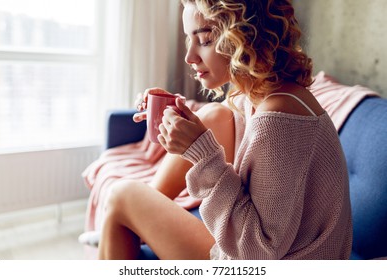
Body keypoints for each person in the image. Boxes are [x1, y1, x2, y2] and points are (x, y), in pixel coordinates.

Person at [98, 0, 352, 260]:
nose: (190, 57)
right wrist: (175, 112)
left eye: (205, 40)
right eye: (190, 40)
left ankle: (120, 222)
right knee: (215, 115)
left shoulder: (279, 118)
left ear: (246, 37)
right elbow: (225, 130)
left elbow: (255, 255)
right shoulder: (265, 95)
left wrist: (202, 155)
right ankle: (127, 223)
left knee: (121, 195)